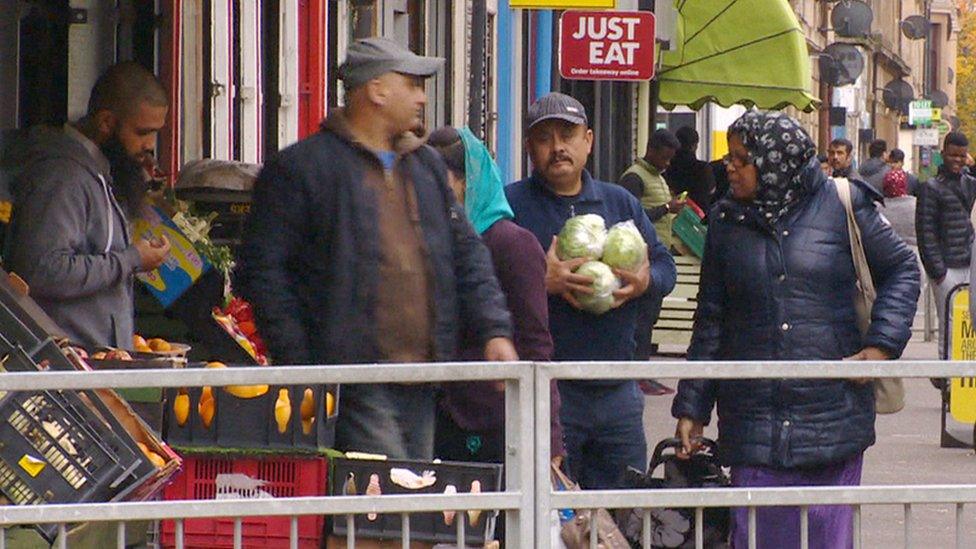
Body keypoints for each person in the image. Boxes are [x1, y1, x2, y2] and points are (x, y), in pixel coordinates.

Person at [236, 38, 517, 460]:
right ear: (377, 90)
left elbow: (466, 254)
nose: (423, 97)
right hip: (351, 380)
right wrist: (302, 361)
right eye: (413, 84)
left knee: (409, 501)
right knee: (386, 502)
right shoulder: (302, 169)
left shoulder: (425, 167)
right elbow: (263, 271)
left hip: (422, 377)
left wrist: (494, 330)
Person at [672, 111, 919, 549]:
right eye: (729, 157)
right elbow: (711, 318)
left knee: (826, 538)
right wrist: (692, 406)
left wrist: (881, 346)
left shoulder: (843, 204)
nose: (729, 166)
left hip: (832, 419)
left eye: (741, 159)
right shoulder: (725, 222)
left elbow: (903, 268)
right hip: (753, 422)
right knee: (759, 537)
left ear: (774, 162)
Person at [506, 92, 677, 489]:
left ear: (588, 140)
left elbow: (665, 267)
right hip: (546, 392)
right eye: (545, 138)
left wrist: (644, 283)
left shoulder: (620, 203)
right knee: (546, 512)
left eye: (567, 134)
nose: (558, 147)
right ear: (530, 147)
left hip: (617, 389)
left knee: (622, 512)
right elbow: (482, 288)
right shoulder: (511, 206)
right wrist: (539, 283)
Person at [7, 61, 171, 349]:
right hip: (66, 372)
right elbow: (43, 270)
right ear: (106, 122)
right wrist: (131, 260)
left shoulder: (97, 171)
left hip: (95, 368)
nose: (149, 144)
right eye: (142, 132)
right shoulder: (62, 176)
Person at [427, 125, 565, 463]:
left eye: (440, 186)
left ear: (467, 182)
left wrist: (549, 439)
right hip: (439, 423)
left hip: (498, 431)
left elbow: (536, 346)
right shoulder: (428, 245)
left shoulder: (510, 244)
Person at [916, 131, 976, 360]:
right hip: (946, 268)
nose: (957, 160)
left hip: (968, 263)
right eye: (953, 155)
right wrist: (937, 272)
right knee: (949, 323)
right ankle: (947, 376)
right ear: (943, 154)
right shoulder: (930, 188)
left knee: (969, 324)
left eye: (962, 156)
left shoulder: (968, 183)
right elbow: (925, 232)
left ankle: (966, 377)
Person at [618, 129, 684, 250]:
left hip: (659, 249)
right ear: (651, 151)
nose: (668, 163)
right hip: (643, 251)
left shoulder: (658, 177)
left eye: (670, 158)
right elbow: (630, 217)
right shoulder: (634, 177)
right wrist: (667, 208)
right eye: (664, 158)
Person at [664, 126, 716, 208]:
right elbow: (711, 193)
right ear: (694, 146)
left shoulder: (667, 168)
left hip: (672, 215)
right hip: (698, 216)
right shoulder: (703, 169)